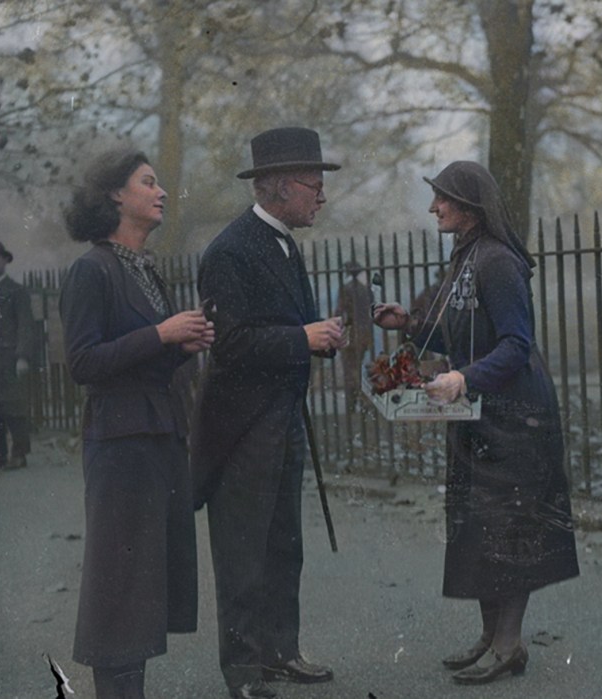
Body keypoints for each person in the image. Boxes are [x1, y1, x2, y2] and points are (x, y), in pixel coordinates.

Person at [373, 161, 579, 685]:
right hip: (480, 417)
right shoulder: (465, 257)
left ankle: (509, 646)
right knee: (480, 531)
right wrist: (410, 324)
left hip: (515, 419)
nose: (433, 208)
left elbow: (515, 345)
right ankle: (491, 639)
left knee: (509, 533)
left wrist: (463, 379)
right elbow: (460, 332)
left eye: (442, 199)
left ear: (469, 207)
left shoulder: (498, 263)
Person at [189, 127, 346, 699]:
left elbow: (278, 333)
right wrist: (301, 337)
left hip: (281, 417)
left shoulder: (283, 241)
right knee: (244, 549)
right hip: (242, 426)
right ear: (278, 187)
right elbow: (228, 346)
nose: (321, 196)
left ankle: (282, 653)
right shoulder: (230, 251)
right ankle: (245, 672)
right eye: (314, 184)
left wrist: (315, 340)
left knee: (283, 543)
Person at [59, 147, 215, 699]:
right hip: (120, 443)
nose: (162, 192)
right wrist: (163, 335)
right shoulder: (91, 269)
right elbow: (83, 364)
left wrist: (182, 345)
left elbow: (146, 357)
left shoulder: (143, 268)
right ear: (116, 196)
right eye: (148, 182)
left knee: (146, 576)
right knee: (120, 582)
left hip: (157, 435)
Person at [0, 240, 35, 470]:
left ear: (4, 261)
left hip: (9, 359)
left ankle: (19, 454)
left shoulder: (16, 291)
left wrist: (22, 357)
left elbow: (25, 326)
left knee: (14, 408)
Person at [333, 259, 374, 408]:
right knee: (355, 367)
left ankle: (360, 399)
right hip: (365, 334)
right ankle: (358, 399)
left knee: (350, 369)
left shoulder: (346, 289)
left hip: (351, 334)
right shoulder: (366, 289)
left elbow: (339, 312)